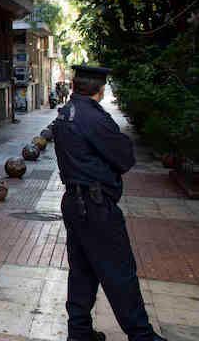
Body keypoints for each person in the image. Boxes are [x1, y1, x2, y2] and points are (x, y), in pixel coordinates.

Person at [52, 66, 165, 341]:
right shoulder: (93, 118)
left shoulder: (66, 113)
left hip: (74, 202)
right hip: (96, 205)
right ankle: (141, 335)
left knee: (83, 270)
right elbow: (124, 157)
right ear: (99, 89)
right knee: (119, 271)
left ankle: (79, 332)